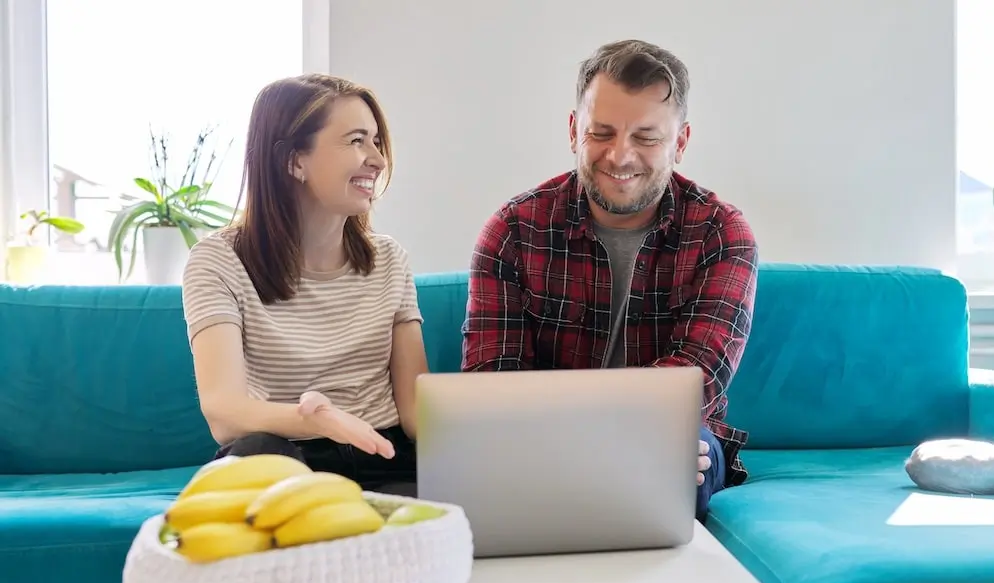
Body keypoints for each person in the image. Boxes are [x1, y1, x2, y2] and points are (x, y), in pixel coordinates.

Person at [461, 40, 759, 520]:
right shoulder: (513, 229)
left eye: (646, 137)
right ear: (574, 129)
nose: (620, 156)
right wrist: (579, 438)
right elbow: (493, 382)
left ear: (680, 142)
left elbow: (695, 378)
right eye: (602, 132)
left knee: (681, 464)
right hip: (539, 436)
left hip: (669, 433)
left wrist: (583, 430)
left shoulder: (721, 233)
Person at [181, 73, 429, 492]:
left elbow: (415, 413)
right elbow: (224, 414)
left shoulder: (390, 260)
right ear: (293, 161)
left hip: (383, 452)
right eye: (355, 141)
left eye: (375, 141)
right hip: (284, 455)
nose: (378, 159)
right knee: (250, 455)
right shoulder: (218, 261)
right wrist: (318, 420)